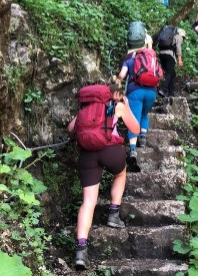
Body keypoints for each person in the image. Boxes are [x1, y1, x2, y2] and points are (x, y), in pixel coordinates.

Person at [68, 77, 140, 270]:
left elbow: (70, 129)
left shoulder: (86, 109)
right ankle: (113, 214)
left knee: (88, 202)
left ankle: (81, 251)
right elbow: (136, 129)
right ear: (115, 94)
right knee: (120, 174)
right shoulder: (117, 106)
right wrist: (126, 106)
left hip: (87, 155)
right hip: (110, 151)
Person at [118, 35, 158, 168]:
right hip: (151, 92)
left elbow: (122, 75)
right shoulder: (150, 58)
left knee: (133, 118)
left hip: (135, 92)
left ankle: (133, 150)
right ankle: (143, 136)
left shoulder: (129, 60)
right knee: (144, 114)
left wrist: (117, 81)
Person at [158, 28, 185, 98]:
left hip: (161, 54)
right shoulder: (179, 37)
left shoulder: (170, 37)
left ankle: (171, 93)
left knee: (172, 74)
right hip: (169, 55)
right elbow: (178, 47)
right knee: (169, 73)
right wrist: (180, 59)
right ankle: (163, 89)